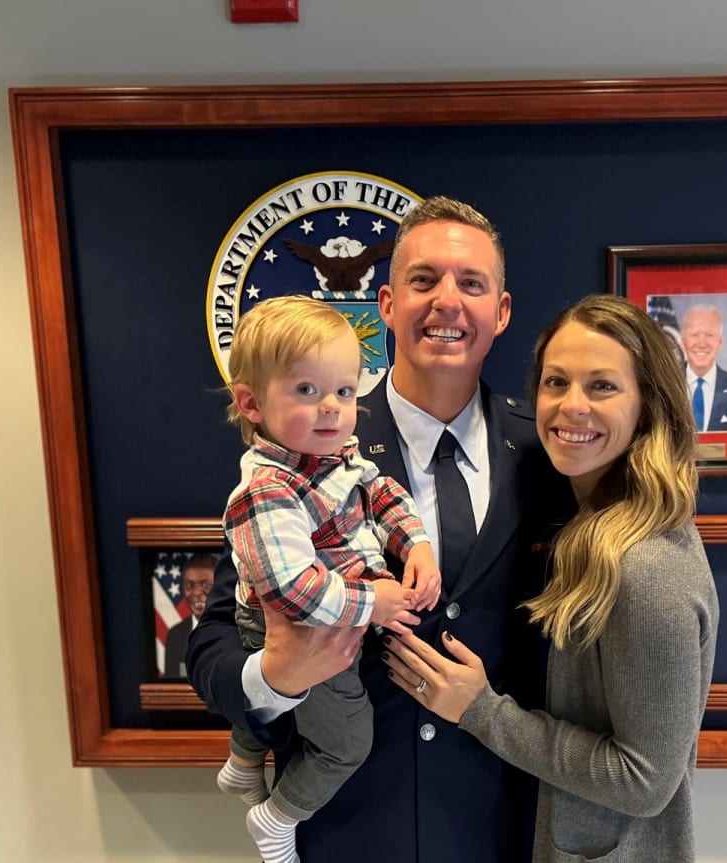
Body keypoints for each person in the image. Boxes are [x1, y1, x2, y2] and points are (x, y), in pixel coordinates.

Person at [189, 197, 573, 863]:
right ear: (388, 305)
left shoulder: (552, 452)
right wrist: (271, 678)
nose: (446, 302)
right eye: (424, 281)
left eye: (471, 283)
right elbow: (214, 642)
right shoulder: (304, 439)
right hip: (349, 827)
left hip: (506, 826)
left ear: (501, 311)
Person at [383, 295, 719, 863]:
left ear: (648, 406)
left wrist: (482, 712)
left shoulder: (645, 566)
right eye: (556, 382)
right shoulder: (590, 525)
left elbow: (644, 780)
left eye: (603, 386)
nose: (573, 407)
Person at [210, 295, 443, 863]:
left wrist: (416, 544)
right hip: (309, 628)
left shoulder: (336, 458)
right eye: (306, 391)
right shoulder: (266, 490)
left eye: (343, 391)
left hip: (334, 618)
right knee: (346, 741)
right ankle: (276, 817)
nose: (332, 410)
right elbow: (293, 592)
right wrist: (375, 603)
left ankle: (242, 764)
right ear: (251, 404)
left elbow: (380, 492)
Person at [681, 304, 727, 432]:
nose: (702, 344)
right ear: (683, 341)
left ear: (720, 342)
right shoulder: (663, 385)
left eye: (710, 335)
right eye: (695, 335)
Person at [162, 552, 217, 678]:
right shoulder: (175, 635)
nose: (196, 592)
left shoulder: (236, 629)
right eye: (189, 585)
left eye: (206, 585)